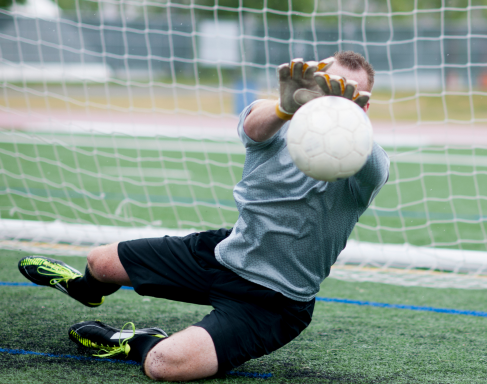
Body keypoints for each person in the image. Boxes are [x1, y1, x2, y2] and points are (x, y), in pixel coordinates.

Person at [17, 51, 390, 381]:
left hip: (273, 303)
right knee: (99, 262)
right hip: (224, 254)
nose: (336, 102)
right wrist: (285, 106)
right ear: (312, 86)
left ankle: (135, 341)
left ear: (365, 109)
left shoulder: (365, 165)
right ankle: (84, 291)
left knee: (163, 364)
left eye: (351, 96)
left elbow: (372, 164)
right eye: (331, 88)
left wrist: (345, 116)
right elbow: (253, 126)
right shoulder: (279, 125)